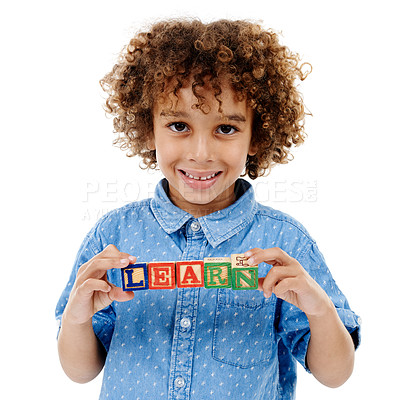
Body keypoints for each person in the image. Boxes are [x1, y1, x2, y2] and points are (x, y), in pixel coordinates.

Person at [55, 19, 361, 399]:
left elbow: (335, 375)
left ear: (257, 135)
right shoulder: (113, 238)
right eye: (179, 125)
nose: (201, 153)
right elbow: (79, 371)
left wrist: (319, 311)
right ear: (149, 129)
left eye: (226, 129)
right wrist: (77, 317)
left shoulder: (283, 243)